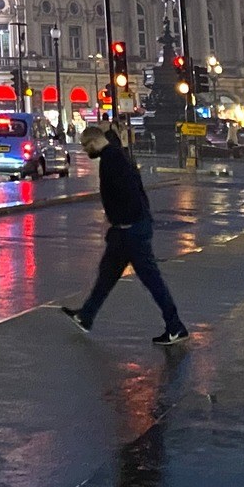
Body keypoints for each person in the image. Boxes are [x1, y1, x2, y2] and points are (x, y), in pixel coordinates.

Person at [62, 124, 189, 345]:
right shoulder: (117, 155)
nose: (84, 151)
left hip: (130, 231)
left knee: (152, 280)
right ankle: (86, 315)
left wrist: (121, 224)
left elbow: (127, 196)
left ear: (94, 142)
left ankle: (175, 326)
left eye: (85, 146)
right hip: (127, 230)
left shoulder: (112, 161)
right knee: (107, 275)